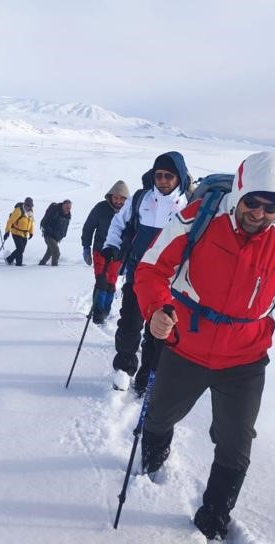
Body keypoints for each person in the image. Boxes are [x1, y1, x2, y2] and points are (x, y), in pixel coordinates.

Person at [134, 151, 275, 540]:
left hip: (244, 359)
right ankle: (153, 458)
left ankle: (214, 515)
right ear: (239, 190)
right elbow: (151, 268)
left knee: (236, 444)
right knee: (160, 417)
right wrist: (156, 309)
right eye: (253, 201)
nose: (261, 212)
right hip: (186, 345)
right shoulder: (197, 219)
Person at [102, 152, 191, 393]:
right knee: (129, 322)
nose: (162, 180)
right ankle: (124, 367)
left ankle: (148, 375)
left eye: (168, 176)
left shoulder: (190, 206)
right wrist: (111, 245)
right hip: (137, 273)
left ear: (179, 178)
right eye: (158, 175)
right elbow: (118, 223)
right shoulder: (141, 199)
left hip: (169, 281)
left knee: (159, 331)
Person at [80, 180, 130, 323]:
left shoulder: (130, 211)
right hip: (100, 251)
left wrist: (128, 258)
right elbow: (89, 227)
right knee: (101, 280)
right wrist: (86, 247)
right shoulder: (101, 208)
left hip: (119, 254)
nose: (118, 201)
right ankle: (98, 311)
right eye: (115, 197)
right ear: (110, 197)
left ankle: (106, 309)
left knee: (111, 282)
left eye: (121, 198)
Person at [38, 199, 72, 266]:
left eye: (69, 208)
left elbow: (65, 226)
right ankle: (54, 268)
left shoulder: (68, 215)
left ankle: (41, 264)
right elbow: (46, 222)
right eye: (67, 207)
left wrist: (63, 235)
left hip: (56, 237)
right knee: (56, 252)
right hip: (49, 235)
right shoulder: (55, 211)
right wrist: (49, 231)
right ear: (63, 205)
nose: (68, 209)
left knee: (50, 251)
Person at [3, 197, 34, 266]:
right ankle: (9, 259)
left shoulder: (30, 212)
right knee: (20, 248)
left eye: (31, 206)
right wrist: (7, 231)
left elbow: (31, 222)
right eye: (28, 205)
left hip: (25, 234)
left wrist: (31, 232)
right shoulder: (18, 211)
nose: (29, 207)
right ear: (25, 204)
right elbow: (10, 222)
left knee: (21, 250)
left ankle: (18, 263)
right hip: (16, 232)